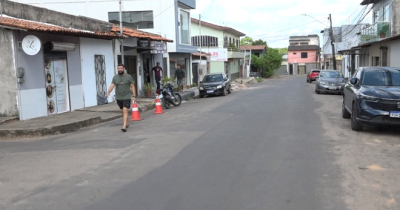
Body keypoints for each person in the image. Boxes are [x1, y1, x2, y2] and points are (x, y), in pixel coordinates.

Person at [107, 64, 136, 132]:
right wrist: (108, 92)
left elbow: (132, 86)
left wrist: (134, 96)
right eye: (118, 68)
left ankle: (124, 126)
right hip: (119, 97)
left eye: (121, 68)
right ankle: (127, 122)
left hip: (127, 96)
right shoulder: (115, 77)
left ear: (124, 69)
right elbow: (112, 85)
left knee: (125, 110)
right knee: (122, 111)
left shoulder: (128, 77)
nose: (119, 69)